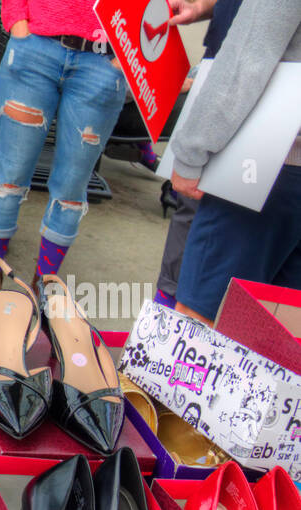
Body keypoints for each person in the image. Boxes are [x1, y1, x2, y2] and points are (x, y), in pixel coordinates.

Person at [0, 0, 128, 297]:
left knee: (72, 186)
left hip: (103, 63)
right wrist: (18, 23)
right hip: (35, 47)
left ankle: (42, 287)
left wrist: (124, 59)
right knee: (11, 172)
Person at [169, 0, 301, 322]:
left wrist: (190, 152)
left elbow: (247, 60)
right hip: (281, 166)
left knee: (199, 323)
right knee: (279, 334)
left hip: (270, 164)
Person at [151, 0, 241, 309]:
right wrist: (203, 7)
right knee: (190, 204)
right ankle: (163, 324)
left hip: (271, 80)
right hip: (218, 62)